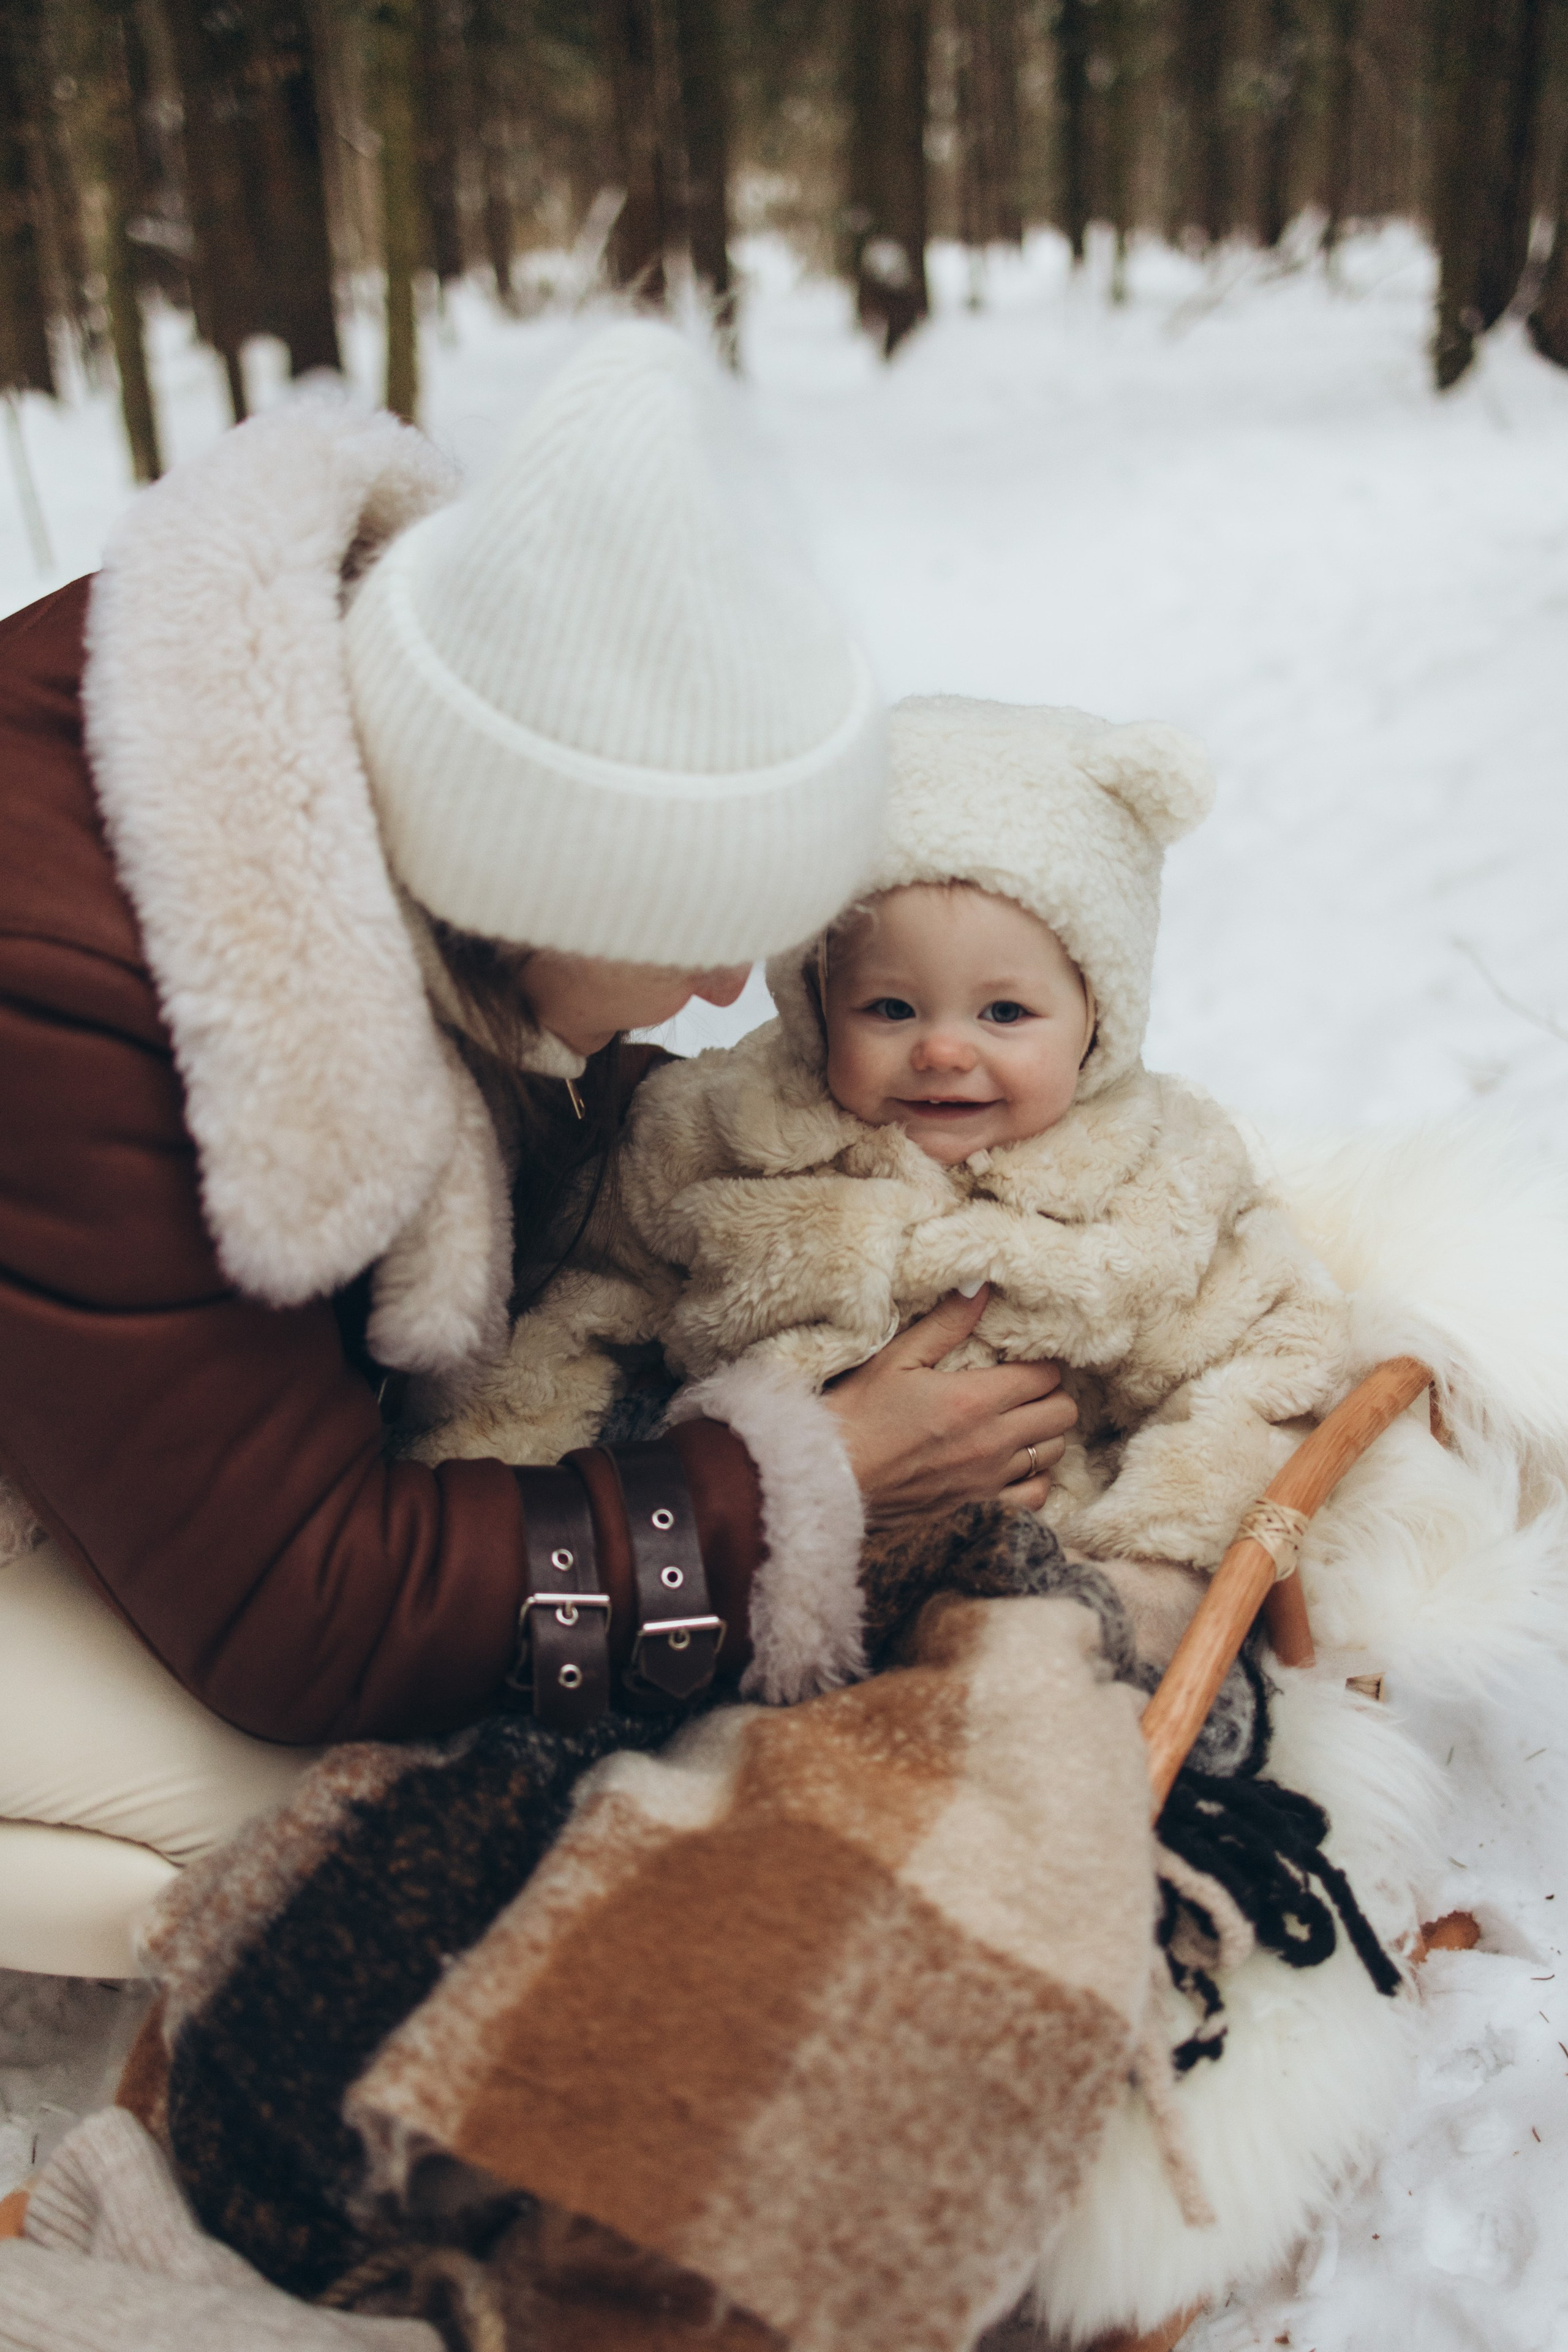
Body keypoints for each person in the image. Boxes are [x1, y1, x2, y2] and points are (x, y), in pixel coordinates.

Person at [0, 328, 1078, 1976]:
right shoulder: (82, 995)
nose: (728, 988)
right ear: (524, 898)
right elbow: (301, 1611)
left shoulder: (350, 746)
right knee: (326, 1813)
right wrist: (804, 1487)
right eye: (698, 934)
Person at [428, 693, 1351, 1686]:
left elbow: (1262, 1364)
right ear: (817, 1004)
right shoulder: (711, 1137)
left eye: (1006, 1012)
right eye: (890, 1007)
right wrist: (503, 1465)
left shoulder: (1153, 1180)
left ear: (1098, 1018)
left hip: (1025, 1572)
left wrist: (1150, 1571)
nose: (944, 1049)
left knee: (1025, 1707)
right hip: (729, 1590)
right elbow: (583, 1302)